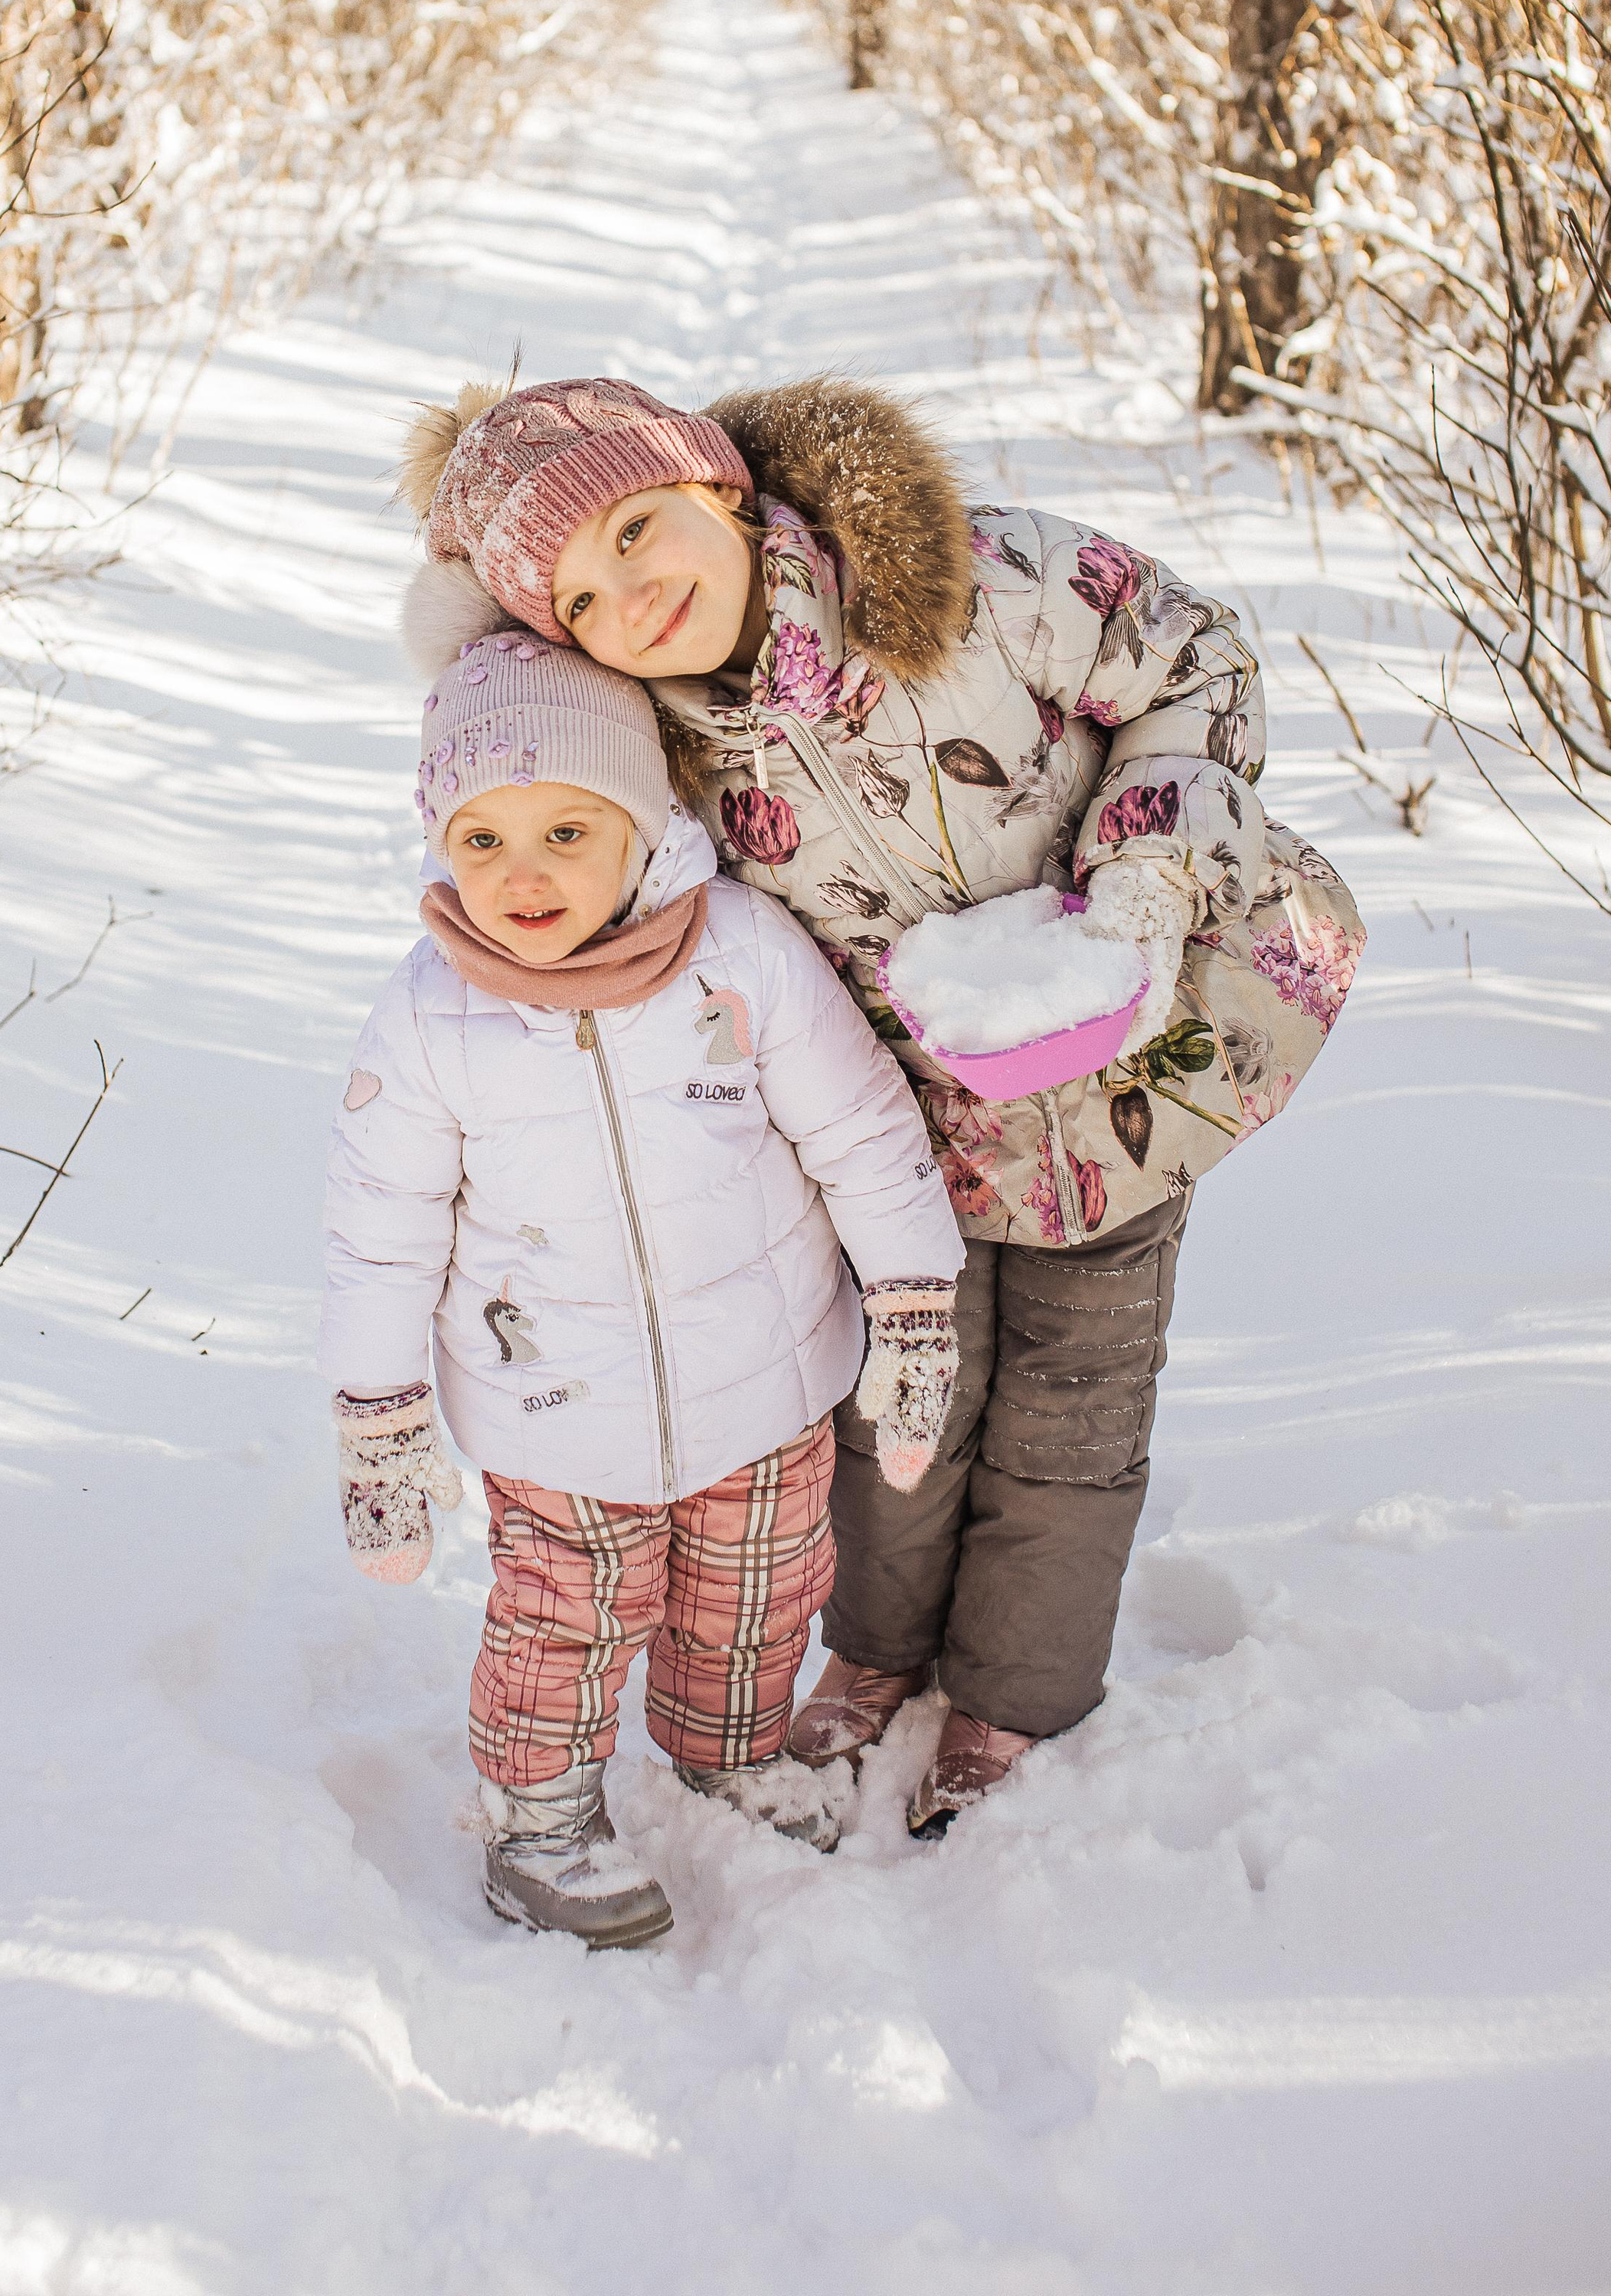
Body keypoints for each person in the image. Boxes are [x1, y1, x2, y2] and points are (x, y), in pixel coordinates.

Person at [398, 374, 1364, 1836]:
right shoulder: (656, 752)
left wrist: (1145, 880)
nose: (634, 597)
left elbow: (1193, 663)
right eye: (581, 602)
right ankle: (878, 1650)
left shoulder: (980, 581)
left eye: (641, 529)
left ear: (719, 486)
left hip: (1136, 1069)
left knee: (1074, 1407)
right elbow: (587, 865)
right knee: (896, 1405)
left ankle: (1016, 1694)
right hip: (909, 1133)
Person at [321, 617, 964, 1947]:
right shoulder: (430, 1017)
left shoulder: (741, 952)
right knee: (562, 1623)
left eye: (568, 830)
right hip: (555, 1413)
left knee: (759, 1595)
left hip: (768, 1378)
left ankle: (724, 1749)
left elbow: (861, 1132)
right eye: (484, 839)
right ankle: (539, 1810)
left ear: (643, 822)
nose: (524, 875)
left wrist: (911, 1311)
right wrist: (381, 1422)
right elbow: (379, 1238)